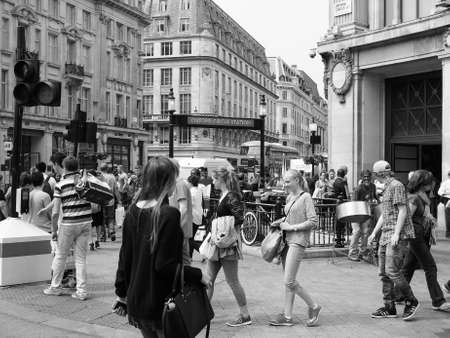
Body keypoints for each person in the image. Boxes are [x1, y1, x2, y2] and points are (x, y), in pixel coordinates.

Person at [113, 157, 209, 337]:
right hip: (161, 301)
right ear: (168, 180)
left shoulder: (133, 211)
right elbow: (165, 266)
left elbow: (125, 258)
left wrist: (121, 294)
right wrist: (198, 275)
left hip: (138, 298)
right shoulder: (168, 214)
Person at [269, 169, 321, 327]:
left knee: (289, 280)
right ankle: (287, 316)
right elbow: (289, 217)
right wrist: (279, 222)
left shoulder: (306, 197)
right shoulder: (289, 197)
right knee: (288, 281)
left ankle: (314, 306)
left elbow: (313, 221)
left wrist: (291, 227)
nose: (284, 184)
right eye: (284, 181)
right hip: (286, 241)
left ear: (297, 180)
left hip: (298, 241)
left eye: (287, 181)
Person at [368, 160, 419, 321]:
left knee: (392, 271)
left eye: (375, 173)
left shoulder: (396, 185)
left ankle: (411, 300)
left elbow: (403, 210)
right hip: (385, 235)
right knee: (384, 273)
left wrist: (396, 233)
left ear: (379, 173)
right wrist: (374, 232)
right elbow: (385, 213)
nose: (374, 176)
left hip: (395, 235)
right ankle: (389, 307)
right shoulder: (387, 187)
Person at [206, 166, 252, 327]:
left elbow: (239, 217)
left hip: (228, 244)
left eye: (214, 179)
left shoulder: (232, 196)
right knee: (208, 280)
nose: (212, 182)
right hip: (219, 243)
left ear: (222, 180)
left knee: (232, 281)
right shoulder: (224, 195)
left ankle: (245, 315)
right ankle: (203, 314)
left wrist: (222, 225)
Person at [44, 156, 92, 301]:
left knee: (60, 255)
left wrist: (54, 230)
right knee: (81, 258)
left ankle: (55, 287)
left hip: (69, 223)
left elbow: (56, 212)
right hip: (86, 222)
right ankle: (81, 291)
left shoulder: (61, 184)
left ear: (64, 167)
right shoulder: (85, 182)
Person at [401, 170, 450, 312]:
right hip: (415, 236)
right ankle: (438, 301)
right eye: (430, 182)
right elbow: (406, 217)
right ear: (424, 184)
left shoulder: (419, 197)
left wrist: (429, 220)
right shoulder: (414, 198)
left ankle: (397, 295)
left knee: (408, 267)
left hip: (418, 235)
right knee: (430, 267)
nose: (432, 184)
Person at [348, 170, 378, 261]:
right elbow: (353, 203)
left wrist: (378, 201)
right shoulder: (358, 189)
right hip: (356, 213)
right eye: (364, 177)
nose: (366, 178)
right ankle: (352, 253)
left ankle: (363, 252)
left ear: (371, 177)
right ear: (361, 178)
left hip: (366, 213)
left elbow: (375, 197)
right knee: (357, 231)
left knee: (365, 232)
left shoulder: (373, 186)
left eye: (368, 176)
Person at [169, 160, 193, 265]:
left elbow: (183, 208)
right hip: (180, 229)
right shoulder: (178, 183)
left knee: (184, 260)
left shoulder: (179, 184)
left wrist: (176, 227)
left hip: (180, 229)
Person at [188, 168, 206, 257]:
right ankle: (189, 256)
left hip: (193, 217)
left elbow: (188, 205)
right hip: (198, 216)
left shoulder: (191, 192)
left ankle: (202, 251)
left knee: (189, 239)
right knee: (191, 237)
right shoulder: (200, 188)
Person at [99, 164, 118, 242]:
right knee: (111, 217)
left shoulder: (99, 177)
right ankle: (111, 231)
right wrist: (119, 199)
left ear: (100, 169)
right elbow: (115, 189)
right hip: (110, 199)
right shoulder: (112, 177)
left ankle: (103, 236)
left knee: (102, 218)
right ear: (107, 169)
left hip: (101, 200)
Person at [333, 168, 349, 248]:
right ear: (343, 174)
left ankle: (339, 240)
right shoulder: (343, 182)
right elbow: (347, 194)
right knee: (341, 223)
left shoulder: (335, 182)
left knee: (339, 223)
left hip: (338, 204)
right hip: (342, 204)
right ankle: (340, 241)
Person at [438, 170, 450, 238]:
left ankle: (448, 233)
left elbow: (439, 192)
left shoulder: (445, 183)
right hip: (447, 199)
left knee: (448, 217)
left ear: (448, 175)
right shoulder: (445, 183)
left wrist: (446, 193)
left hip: (447, 199)